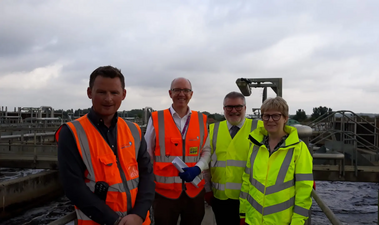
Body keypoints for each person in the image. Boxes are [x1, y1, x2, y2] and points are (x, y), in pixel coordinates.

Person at [56, 66, 155, 225]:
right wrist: (115, 221)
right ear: (90, 92)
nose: (108, 99)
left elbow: (147, 175)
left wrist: (139, 214)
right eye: (102, 92)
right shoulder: (72, 133)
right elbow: (74, 188)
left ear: (123, 94)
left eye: (114, 93)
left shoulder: (134, 131)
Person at [144, 77, 211, 225]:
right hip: (164, 194)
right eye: (177, 90)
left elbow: (206, 151)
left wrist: (197, 168)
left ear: (191, 94)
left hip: (194, 192)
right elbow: (147, 154)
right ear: (170, 93)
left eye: (186, 90)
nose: (182, 94)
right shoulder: (156, 118)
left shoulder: (201, 120)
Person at [239, 96, 313, 225]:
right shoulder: (255, 145)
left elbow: (304, 190)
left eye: (276, 116)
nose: (270, 120)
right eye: (266, 116)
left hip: (282, 222)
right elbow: (247, 182)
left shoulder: (298, 148)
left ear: (285, 118)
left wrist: (298, 221)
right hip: (253, 220)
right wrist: (243, 213)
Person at [204, 91, 263, 225]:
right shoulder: (213, 130)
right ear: (223, 109)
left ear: (245, 108)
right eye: (229, 107)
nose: (234, 110)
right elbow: (206, 164)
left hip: (250, 198)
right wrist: (207, 190)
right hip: (220, 198)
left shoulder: (259, 128)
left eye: (238, 107)